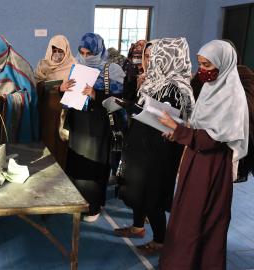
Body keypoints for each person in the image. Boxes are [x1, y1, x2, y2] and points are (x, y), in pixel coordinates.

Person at [158, 40, 249, 269]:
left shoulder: (232, 97)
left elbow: (212, 139)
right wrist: (177, 133)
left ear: (223, 63)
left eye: (207, 64)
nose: (203, 70)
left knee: (201, 219)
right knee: (186, 216)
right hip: (195, 160)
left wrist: (179, 131)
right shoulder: (211, 89)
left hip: (211, 168)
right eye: (200, 64)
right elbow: (200, 129)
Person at [115, 38, 195, 254]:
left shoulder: (178, 88)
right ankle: (138, 227)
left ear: (169, 58)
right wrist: (130, 102)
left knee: (153, 195)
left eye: (156, 57)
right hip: (142, 145)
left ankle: (160, 240)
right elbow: (144, 109)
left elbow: (176, 123)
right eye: (149, 57)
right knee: (139, 189)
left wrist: (135, 108)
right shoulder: (153, 80)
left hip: (160, 151)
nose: (151, 61)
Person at [60, 33, 125, 222]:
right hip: (79, 124)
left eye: (90, 52)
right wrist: (61, 90)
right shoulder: (76, 67)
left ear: (99, 50)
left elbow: (120, 101)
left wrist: (95, 95)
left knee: (94, 167)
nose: (86, 56)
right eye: (82, 51)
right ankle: (77, 202)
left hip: (99, 126)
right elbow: (67, 101)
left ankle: (92, 207)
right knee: (76, 164)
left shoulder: (112, 70)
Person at [0, 35, 39, 143]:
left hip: (14, 113)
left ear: (2, 53)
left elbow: (29, 95)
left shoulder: (20, 66)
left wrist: (8, 98)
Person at [34, 35, 77, 168]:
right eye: (54, 50)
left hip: (65, 113)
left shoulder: (74, 66)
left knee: (62, 145)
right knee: (47, 144)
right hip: (47, 112)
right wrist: (57, 87)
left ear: (66, 50)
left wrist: (66, 89)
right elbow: (37, 85)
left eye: (60, 51)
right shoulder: (43, 65)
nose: (57, 54)